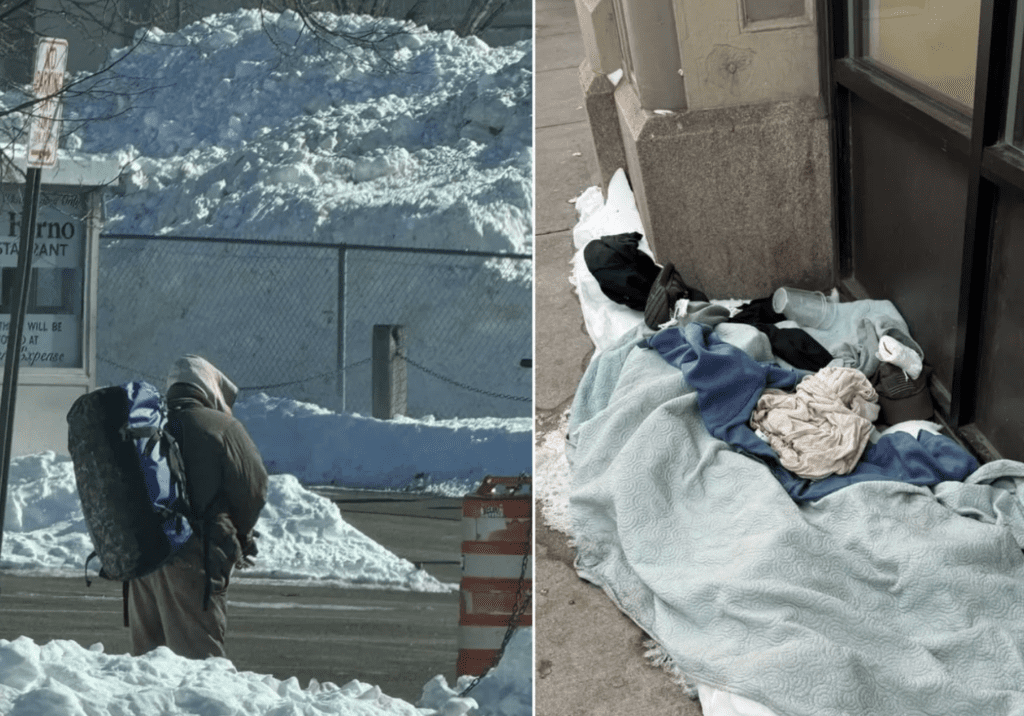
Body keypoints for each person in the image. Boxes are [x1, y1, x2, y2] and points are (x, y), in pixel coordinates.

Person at [128, 355, 269, 659]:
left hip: (143, 559)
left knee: (147, 663)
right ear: (207, 388)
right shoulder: (222, 426)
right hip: (194, 555)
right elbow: (254, 489)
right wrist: (240, 536)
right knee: (199, 664)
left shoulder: (146, 425)